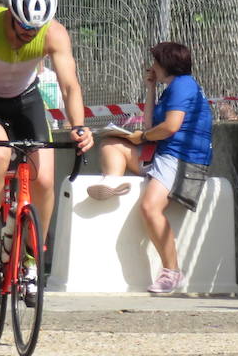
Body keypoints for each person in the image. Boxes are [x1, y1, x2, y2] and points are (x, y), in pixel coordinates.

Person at [0, 0, 95, 296]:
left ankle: (33, 261)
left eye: (36, 27)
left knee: (45, 179)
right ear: (10, 12)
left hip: (26, 100)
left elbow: (69, 85)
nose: (29, 33)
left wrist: (78, 126)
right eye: (23, 25)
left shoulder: (55, 33)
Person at [88, 42, 214, 294]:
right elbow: (148, 125)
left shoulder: (183, 85)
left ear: (165, 64)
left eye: (155, 62)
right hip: (163, 155)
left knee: (150, 207)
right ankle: (113, 184)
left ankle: (172, 272)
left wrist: (142, 139)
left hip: (180, 159)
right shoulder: (170, 89)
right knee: (112, 144)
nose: (151, 66)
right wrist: (150, 88)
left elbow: (170, 127)